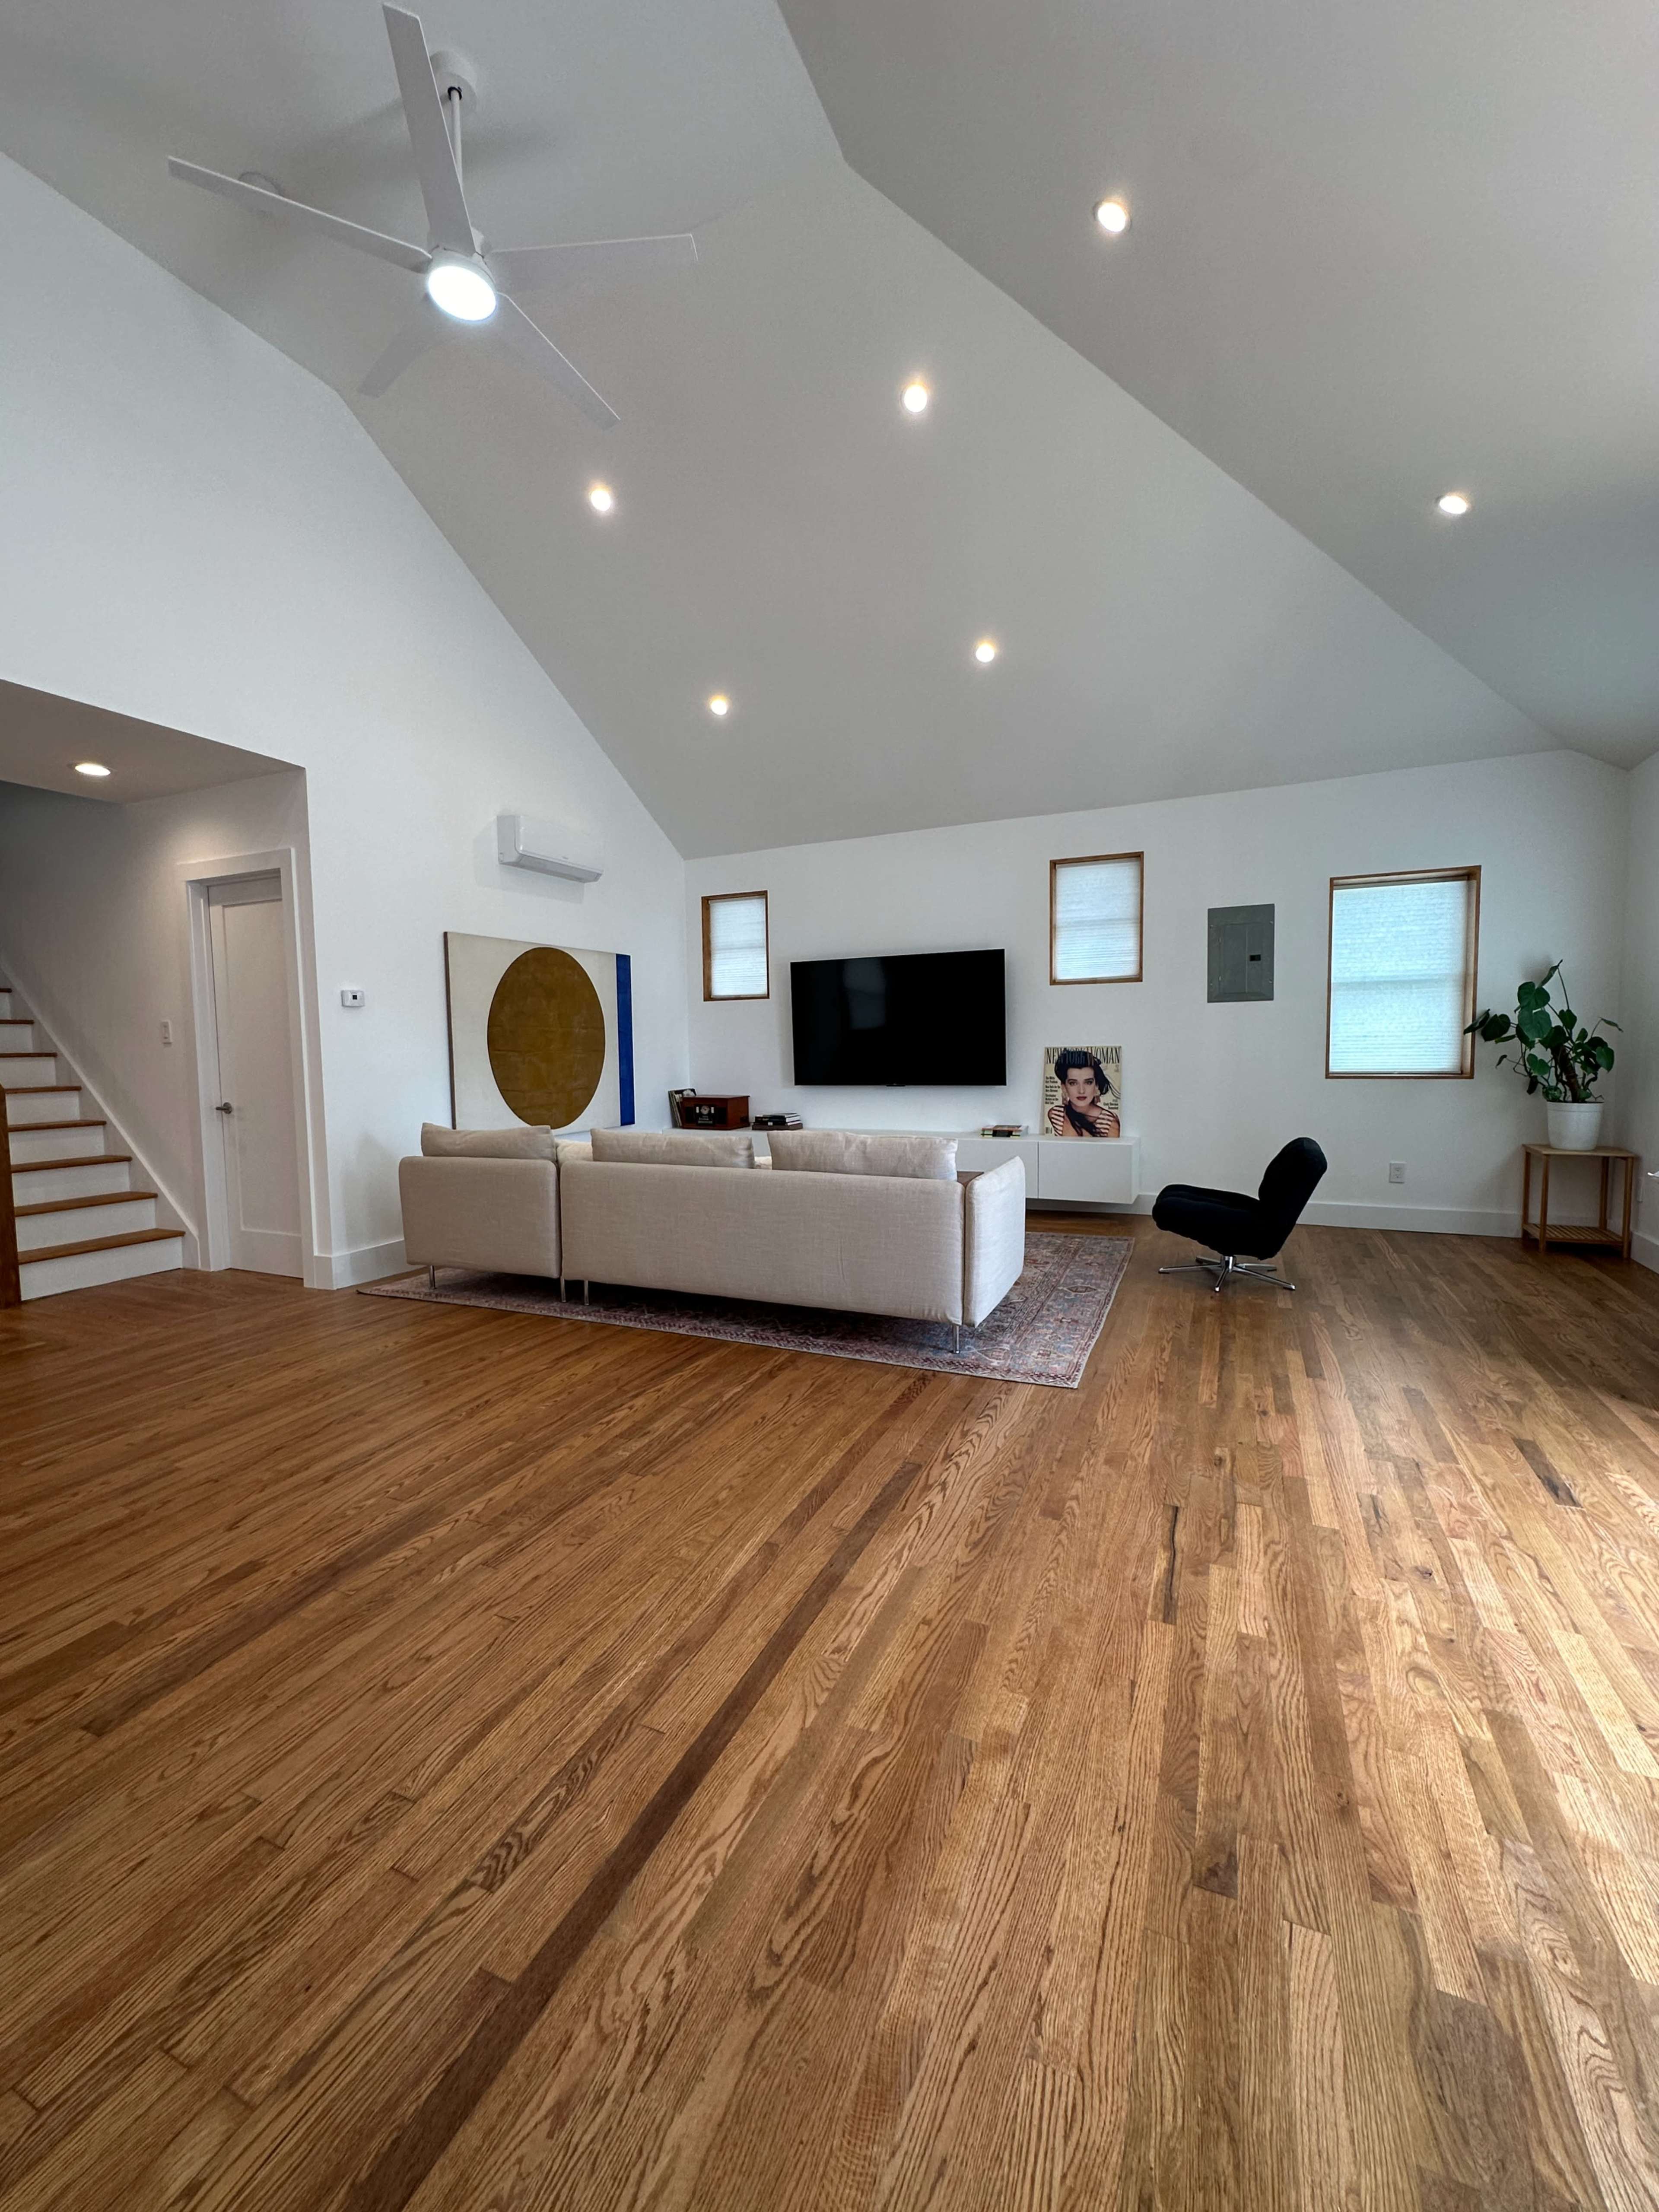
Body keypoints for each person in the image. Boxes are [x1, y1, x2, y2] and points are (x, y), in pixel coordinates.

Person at [1047, 1048, 1120, 1138]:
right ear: (1064, 1088)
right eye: (1073, 1083)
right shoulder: (1055, 1115)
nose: (1081, 1091)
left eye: (1088, 1082)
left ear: (1096, 1086)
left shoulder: (1110, 1123)